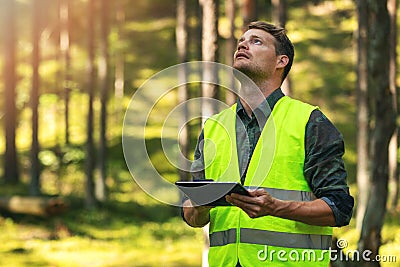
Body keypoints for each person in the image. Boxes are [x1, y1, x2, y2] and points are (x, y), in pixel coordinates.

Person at [181, 21, 354, 267]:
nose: (243, 44)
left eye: (256, 41)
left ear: (281, 61)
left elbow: (339, 207)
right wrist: (200, 206)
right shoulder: (214, 127)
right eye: (242, 41)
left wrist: (277, 207)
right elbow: (191, 215)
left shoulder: (309, 121)